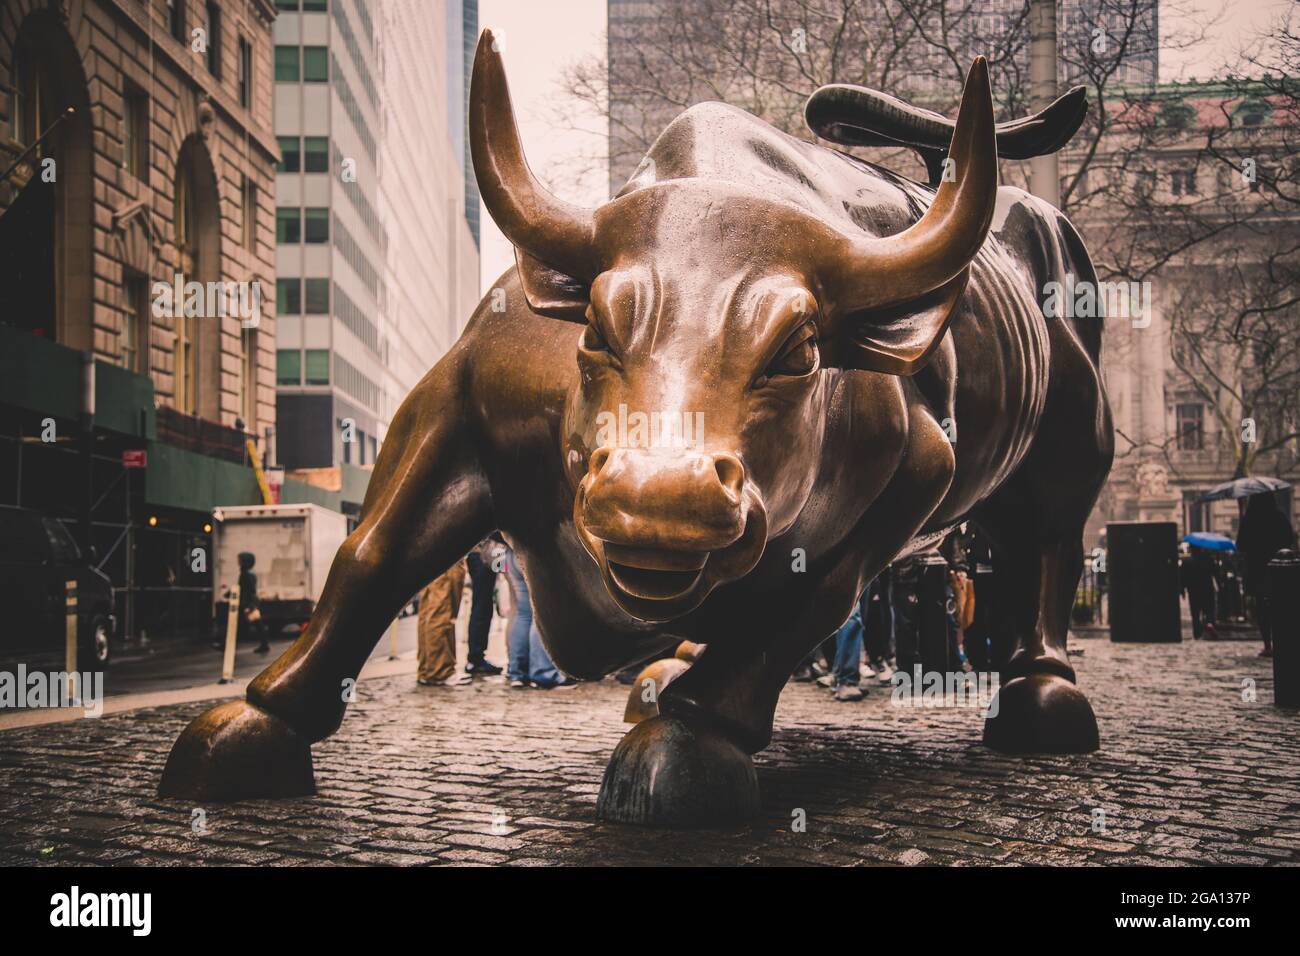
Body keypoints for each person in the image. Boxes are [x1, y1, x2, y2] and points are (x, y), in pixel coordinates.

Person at [502, 547, 576, 689]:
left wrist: (499, 570)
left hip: (508, 553)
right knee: (541, 611)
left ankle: (517, 673)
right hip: (533, 551)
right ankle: (543, 673)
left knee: (522, 613)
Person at [1236, 493, 1296, 657]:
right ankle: (1281, 641)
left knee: (1262, 607)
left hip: (1257, 569)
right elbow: (1290, 539)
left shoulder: (1249, 518)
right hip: (1279, 569)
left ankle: (1267, 645)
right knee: (1280, 606)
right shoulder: (1279, 516)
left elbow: (1240, 544)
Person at [416, 559, 467, 686]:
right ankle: (440, 671)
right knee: (441, 615)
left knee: (429, 613)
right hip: (447, 559)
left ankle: (427, 669)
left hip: (430, 558)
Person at [463, 536, 505, 677]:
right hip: (487, 554)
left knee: (484, 607)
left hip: (486, 554)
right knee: (482, 607)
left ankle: (476, 656)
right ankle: (475, 657)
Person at [1180, 545, 1218, 639]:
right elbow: (1215, 572)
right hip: (1207, 588)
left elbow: (1182, 577)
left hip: (1193, 590)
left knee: (1195, 613)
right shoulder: (1208, 559)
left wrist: (1182, 590)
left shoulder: (1186, 561)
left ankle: (1197, 634)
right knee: (1209, 609)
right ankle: (1209, 623)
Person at [237, 551, 269, 654]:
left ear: (245, 561)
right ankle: (264, 645)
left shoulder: (247, 574)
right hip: (247, 603)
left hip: (248, 604)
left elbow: (251, 591)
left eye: (240, 559)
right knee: (256, 625)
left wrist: (250, 606)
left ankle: (226, 645)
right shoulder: (245, 572)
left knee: (255, 625)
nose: (238, 561)